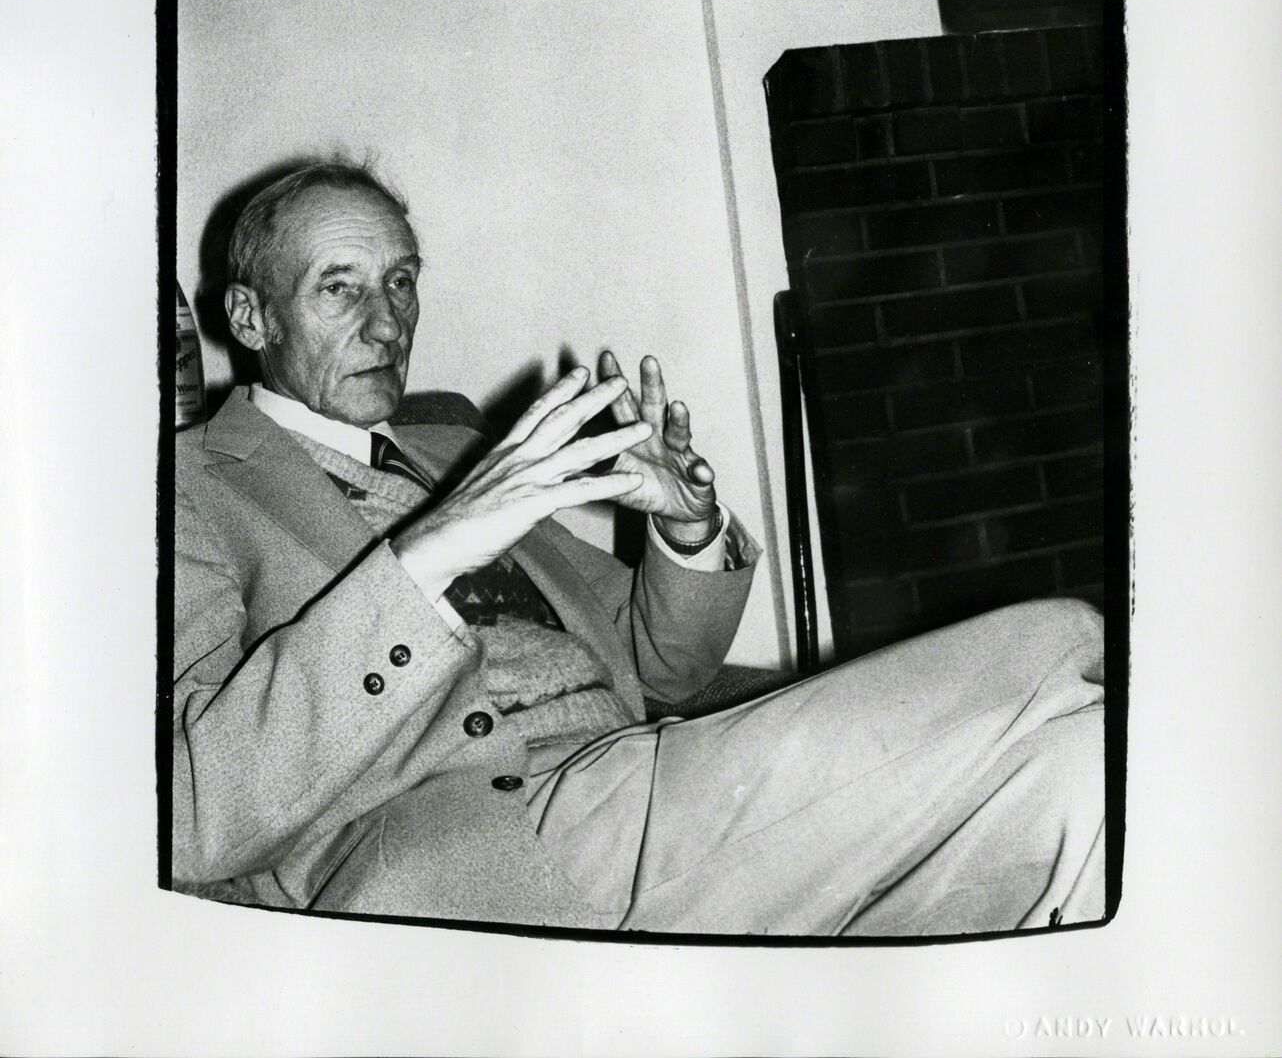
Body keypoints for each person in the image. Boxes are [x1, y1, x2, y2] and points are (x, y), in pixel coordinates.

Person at [173, 159, 1106, 934]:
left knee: (1080, 774)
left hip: (633, 780)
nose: (386, 323)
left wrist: (684, 526)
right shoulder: (183, 491)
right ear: (252, 318)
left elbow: (663, 663)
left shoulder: (450, 445)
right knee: (1058, 637)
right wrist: (428, 554)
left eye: (401, 281)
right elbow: (192, 807)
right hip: (474, 841)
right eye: (339, 287)